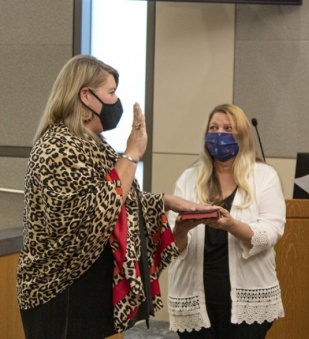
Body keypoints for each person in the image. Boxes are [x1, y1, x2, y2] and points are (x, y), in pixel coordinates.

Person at [16, 55, 209, 339]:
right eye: (111, 92)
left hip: (91, 294)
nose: (116, 100)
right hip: (59, 293)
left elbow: (120, 202)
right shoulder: (56, 146)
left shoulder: (95, 144)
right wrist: (131, 154)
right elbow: (89, 220)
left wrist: (167, 203)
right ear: (86, 96)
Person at [167, 104, 286, 339]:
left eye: (227, 128)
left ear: (241, 135)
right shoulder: (188, 179)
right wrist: (180, 229)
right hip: (194, 297)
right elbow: (172, 247)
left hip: (248, 295)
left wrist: (232, 225)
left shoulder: (264, 175)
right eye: (213, 128)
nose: (219, 134)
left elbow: (271, 231)